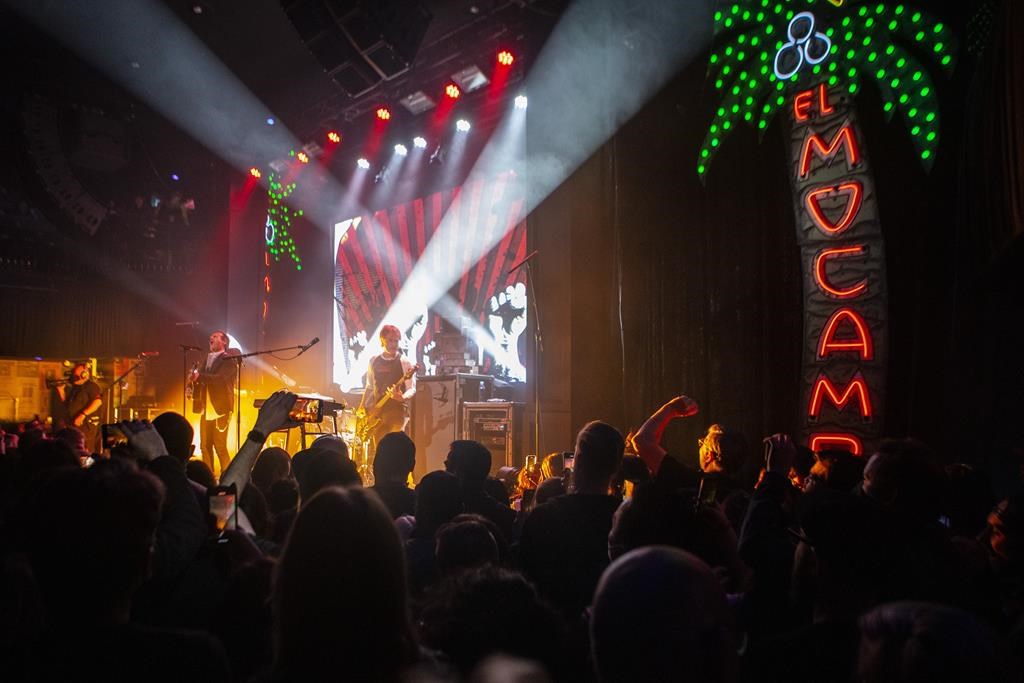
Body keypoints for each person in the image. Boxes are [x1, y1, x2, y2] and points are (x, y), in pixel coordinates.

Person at [358, 324, 416, 458]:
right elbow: (370, 387)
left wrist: (402, 397)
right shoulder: (374, 361)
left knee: (394, 447)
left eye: (396, 340)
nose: (394, 344)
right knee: (379, 447)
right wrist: (363, 406)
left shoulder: (404, 362)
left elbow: (411, 388)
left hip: (396, 411)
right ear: (382, 340)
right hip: (377, 411)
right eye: (390, 340)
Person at [188, 330, 240, 476]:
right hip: (206, 408)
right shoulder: (207, 359)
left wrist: (200, 376)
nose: (211, 338)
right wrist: (192, 383)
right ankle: (208, 477)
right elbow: (202, 381)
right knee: (204, 445)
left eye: (215, 336)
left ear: (224, 342)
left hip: (220, 408)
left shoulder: (229, 359)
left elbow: (220, 379)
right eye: (211, 336)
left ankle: (229, 476)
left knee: (220, 445)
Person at [54, 362, 102, 450]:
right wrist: (61, 391)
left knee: (85, 452)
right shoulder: (75, 388)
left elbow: (98, 402)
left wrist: (83, 415)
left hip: (86, 428)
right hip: (73, 427)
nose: (74, 377)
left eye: (76, 375)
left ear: (84, 374)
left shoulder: (91, 386)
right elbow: (68, 405)